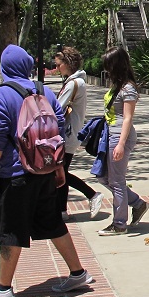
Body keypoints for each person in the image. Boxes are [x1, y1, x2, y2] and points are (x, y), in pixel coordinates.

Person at [0, 44, 94, 297]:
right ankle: (78, 273)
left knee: (10, 229)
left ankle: (3, 288)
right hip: (45, 170)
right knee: (52, 222)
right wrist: (58, 167)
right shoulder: (44, 91)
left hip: (16, 174)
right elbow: (57, 131)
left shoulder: (1, 95)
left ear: (5, 67)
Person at [94, 47, 149, 235]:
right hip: (110, 135)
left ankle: (119, 223)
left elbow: (128, 118)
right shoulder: (117, 86)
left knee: (117, 180)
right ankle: (136, 202)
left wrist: (120, 143)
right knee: (104, 176)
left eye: (109, 65)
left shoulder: (128, 88)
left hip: (120, 136)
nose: (107, 69)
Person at [54, 47, 104, 221]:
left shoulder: (74, 84)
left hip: (67, 134)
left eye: (59, 65)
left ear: (68, 63)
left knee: (61, 173)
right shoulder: (74, 82)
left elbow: (57, 109)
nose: (57, 68)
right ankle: (61, 211)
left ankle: (92, 195)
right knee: (62, 172)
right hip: (70, 133)